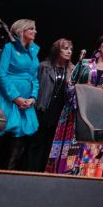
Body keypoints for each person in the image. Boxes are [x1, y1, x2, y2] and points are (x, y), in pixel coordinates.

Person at [46, 34, 103, 176]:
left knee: (92, 148)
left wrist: (102, 102)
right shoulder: (84, 64)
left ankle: (86, 180)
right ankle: (62, 175)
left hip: (98, 116)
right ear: (100, 45)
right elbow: (70, 84)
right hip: (75, 111)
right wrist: (79, 101)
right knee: (71, 148)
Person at [0, 19, 40, 170]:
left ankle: (8, 177)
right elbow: (1, 75)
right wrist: (16, 98)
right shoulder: (9, 48)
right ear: (21, 30)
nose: (35, 31)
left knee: (19, 143)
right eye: (31, 29)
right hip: (8, 100)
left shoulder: (33, 52)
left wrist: (32, 98)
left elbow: (34, 78)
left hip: (26, 103)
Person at [28, 38, 72, 172]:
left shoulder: (72, 70)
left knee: (51, 147)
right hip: (42, 110)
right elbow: (35, 86)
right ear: (57, 50)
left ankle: (44, 175)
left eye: (70, 49)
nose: (69, 51)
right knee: (35, 145)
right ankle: (30, 173)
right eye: (65, 48)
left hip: (60, 114)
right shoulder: (44, 66)